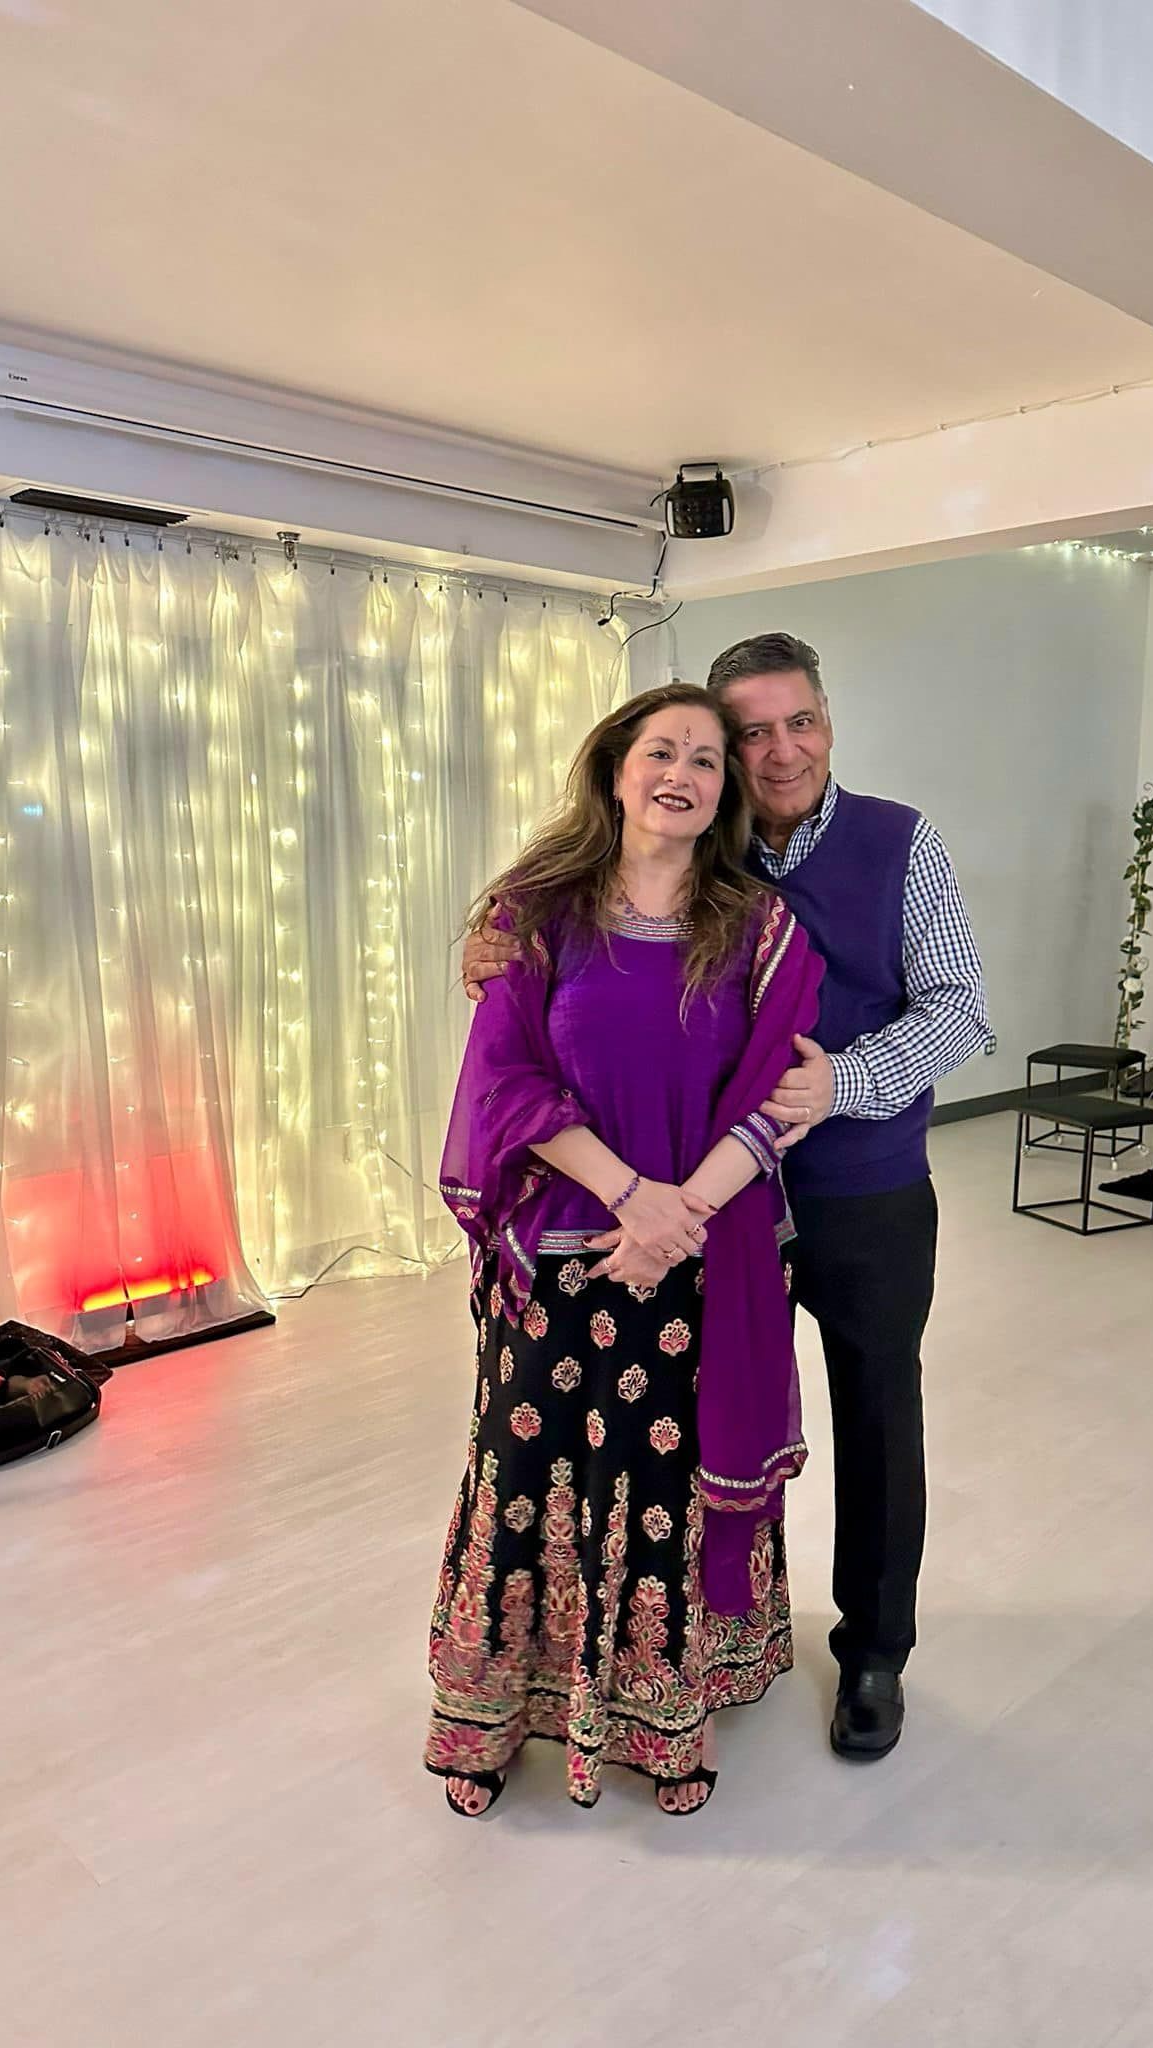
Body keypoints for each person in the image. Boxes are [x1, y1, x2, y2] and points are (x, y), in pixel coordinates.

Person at [464, 634, 988, 1764]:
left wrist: (846, 1079)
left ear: (830, 721)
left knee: (878, 1417)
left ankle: (875, 1652)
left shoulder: (902, 843)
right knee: (695, 1430)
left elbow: (962, 1008)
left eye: (797, 721)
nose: (778, 748)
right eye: (749, 731)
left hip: (857, 1188)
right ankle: (703, 1636)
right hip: (711, 1209)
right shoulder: (704, 852)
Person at [427, 681, 823, 1818]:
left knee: (659, 1484)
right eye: (663, 750)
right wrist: (630, 1197)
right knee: (524, 1469)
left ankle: (662, 1716)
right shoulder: (534, 911)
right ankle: (493, 1712)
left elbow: (773, 1095)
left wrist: (673, 1216)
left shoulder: (761, 930)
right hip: (553, 1255)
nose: (683, 773)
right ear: (614, 770)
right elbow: (505, 1077)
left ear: (724, 794)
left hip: (703, 1259)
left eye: (708, 760)